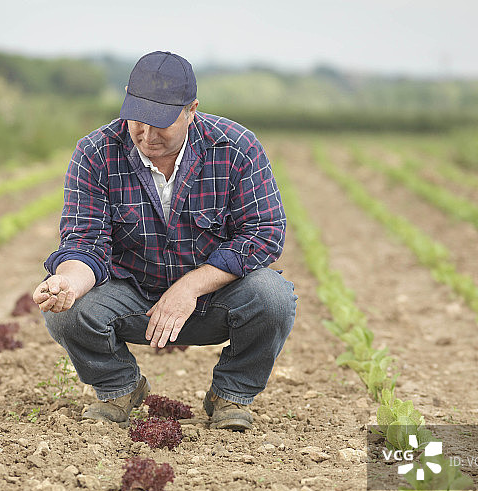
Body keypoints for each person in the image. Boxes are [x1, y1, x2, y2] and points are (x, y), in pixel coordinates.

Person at [32, 50, 296, 431]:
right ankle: (119, 387)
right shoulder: (95, 153)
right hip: (134, 298)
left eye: (161, 123)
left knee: (273, 296)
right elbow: (85, 241)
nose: (146, 134)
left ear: (191, 110)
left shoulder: (236, 147)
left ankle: (231, 394)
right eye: (136, 119)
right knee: (68, 311)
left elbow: (264, 234)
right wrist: (68, 282)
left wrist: (190, 286)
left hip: (212, 301)